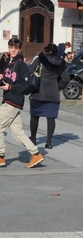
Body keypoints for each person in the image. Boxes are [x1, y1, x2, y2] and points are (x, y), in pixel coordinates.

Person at [0, 38, 45, 168]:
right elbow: (9, 79)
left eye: (15, 47)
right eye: (11, 47)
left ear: (19, 49)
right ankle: (35, 154)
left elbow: (24, 85)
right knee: (17, 132)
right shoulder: (9, 63)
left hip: (13, 101)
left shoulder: (21, 64)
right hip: (9, 99)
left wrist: (10, 88)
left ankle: (1, 156)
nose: (13, 50)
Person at [28, 43, 70, 149]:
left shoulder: (40, 59)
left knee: (34, 116)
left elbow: (29, 71)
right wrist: (57, 87)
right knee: (51, 118)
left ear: (46, 51)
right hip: (53, 94)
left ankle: (33, 138)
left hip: (38, 92)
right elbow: (66, 79)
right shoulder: (60, 63)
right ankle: (49, 142)